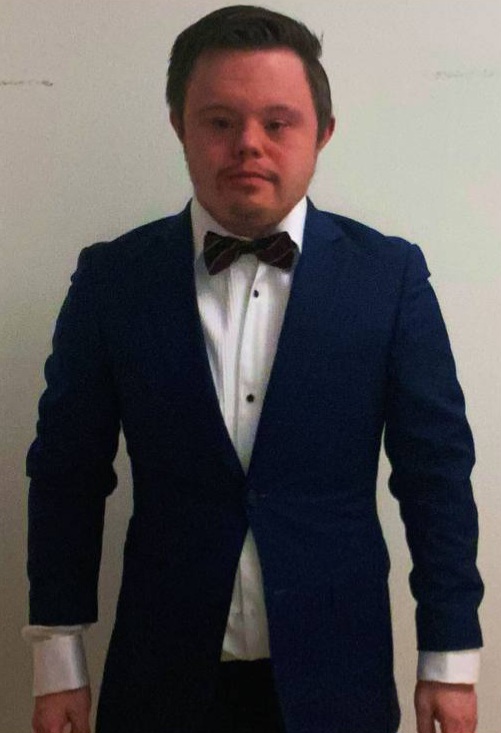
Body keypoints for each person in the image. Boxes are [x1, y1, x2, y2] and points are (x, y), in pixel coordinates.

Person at [25, 6, 483, 733]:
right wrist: (58, 660)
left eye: (278, 122)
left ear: (321, 132)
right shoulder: (113, 280)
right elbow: (66, 475)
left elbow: (436, 475)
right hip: (160, 679)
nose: (248, 144)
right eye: (219, 121)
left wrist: (449, 658)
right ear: (179, 126)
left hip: (339, 679)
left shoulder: (388, 279)